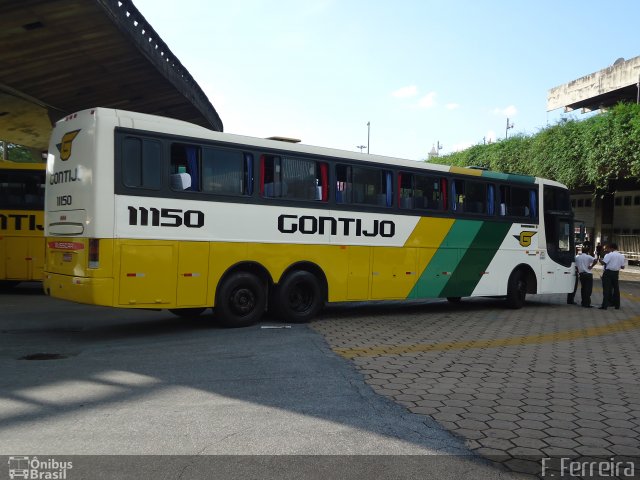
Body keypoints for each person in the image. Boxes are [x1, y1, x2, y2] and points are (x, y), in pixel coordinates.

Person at [599, 243, 626, 310]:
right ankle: (617, 305)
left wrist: (600, 260)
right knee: (616, 289)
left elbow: (604, 263)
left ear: (611, 248)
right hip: (616, 273)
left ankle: (604, 306)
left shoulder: (609, 255)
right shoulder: (621, 256)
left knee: (606, 289)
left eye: (608, 248)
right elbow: (622, 267)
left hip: (608, 273)